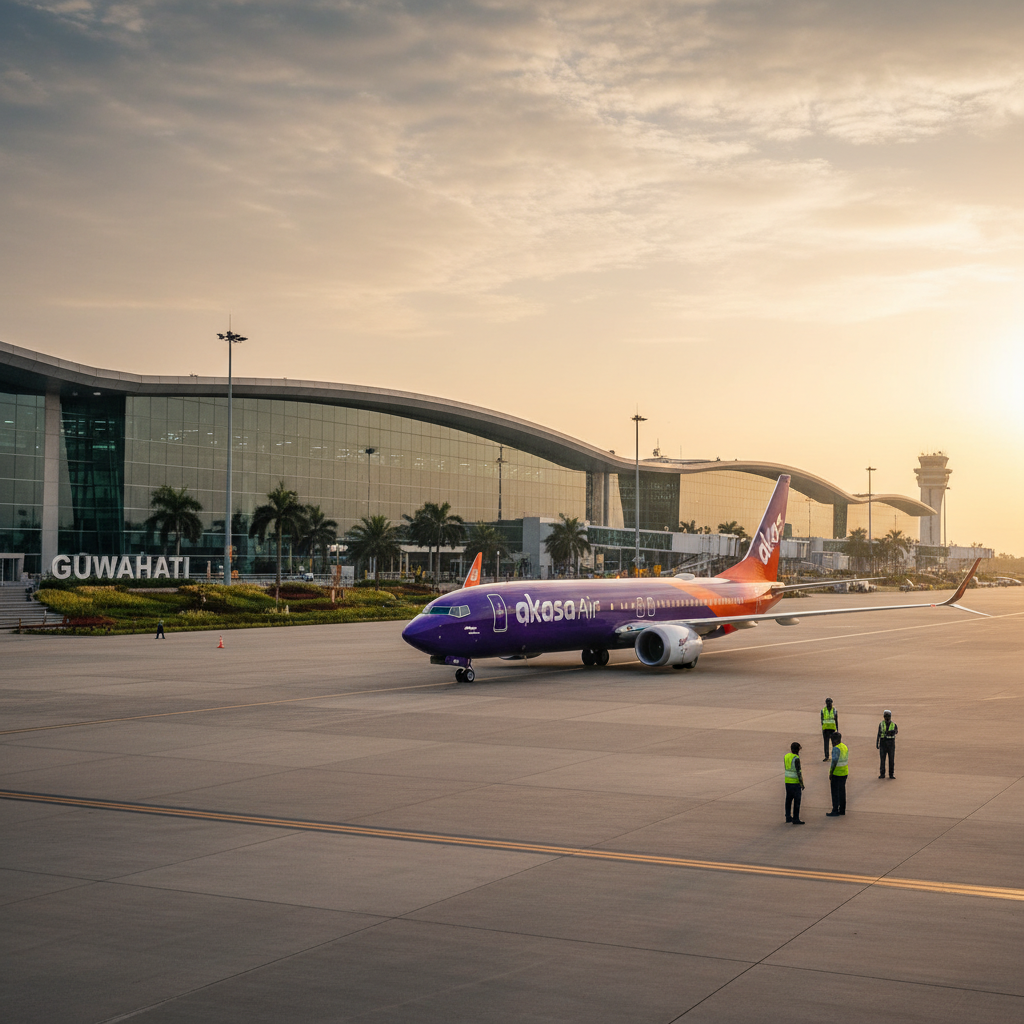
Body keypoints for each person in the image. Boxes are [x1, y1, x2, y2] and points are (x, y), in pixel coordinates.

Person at [826, 731, 848, 816]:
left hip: (837, 773)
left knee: (835, 792)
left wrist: (831, 773)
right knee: (842, 792)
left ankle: (835, 809)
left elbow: (834, 762)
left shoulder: (836, 749)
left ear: (834, 740)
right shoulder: (844, 747)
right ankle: (842, 810)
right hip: (845, 772)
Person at [784, 741, 805, 824]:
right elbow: (798, 772)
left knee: (788, 799)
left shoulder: (786, 756)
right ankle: (796, 818)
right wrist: (802, 783)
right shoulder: (796, 758)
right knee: (797, 801)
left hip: (787, 781)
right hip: (795, 782)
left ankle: (788, 816)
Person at [877, 710, 898, 779]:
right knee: (882, 760)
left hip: (891, 743)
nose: (887, 718)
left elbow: (896, 731)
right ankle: (882, 773)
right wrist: (877, 742)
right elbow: (879, 734)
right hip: (883, 743)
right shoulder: (881, 724)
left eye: (888, 716)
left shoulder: (893, 724)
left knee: (891, 759)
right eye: (886, 716)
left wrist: (890, 732)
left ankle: (891, 774)